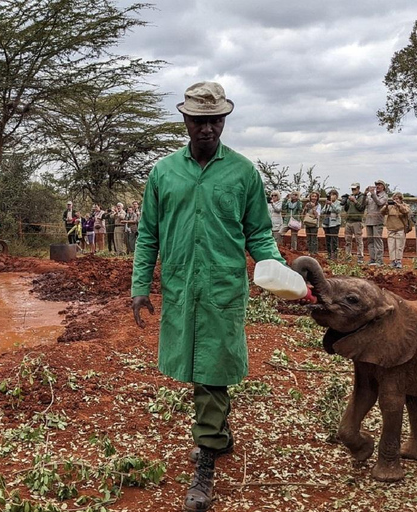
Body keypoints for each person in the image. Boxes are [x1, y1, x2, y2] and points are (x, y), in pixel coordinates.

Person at [130, 82, 290, 512]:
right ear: (185, 120)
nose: (207, 128)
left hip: (222, 286)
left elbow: (258, 232)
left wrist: (275, 272)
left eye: (215, 120)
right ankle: (216, 433)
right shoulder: (163, 173)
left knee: (212, 368)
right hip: (183, 286)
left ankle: (207, 456)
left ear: (224, 120)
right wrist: (140, 285)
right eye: (199, 120)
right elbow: (148, 234)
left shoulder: (242, 172)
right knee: (198, 364)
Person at [381, 192, 410, 269]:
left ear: (400, 199)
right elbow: (382, 212)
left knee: (399, 246)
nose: (395, 200)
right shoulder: (390, 207)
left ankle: (398, 261)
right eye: (394, 199)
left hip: (400, 229)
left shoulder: (404, 205)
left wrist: (398, 205)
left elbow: (406, 211)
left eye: (397, 199)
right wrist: (386, 206)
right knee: (391, 246)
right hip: (391, 229)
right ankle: (393, 261)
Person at [341, 183, 366, 262]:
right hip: (349, 221)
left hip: (357, 221)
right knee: (347, 240)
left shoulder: (362, 197)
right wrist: (345, 202)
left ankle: (360, 257)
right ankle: (348, 256)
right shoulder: (349, 197)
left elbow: (361, 208)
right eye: (352, 189)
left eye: (354, 189)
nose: (353, 190)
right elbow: (346, 209)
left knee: (358, 240)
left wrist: (355, 201)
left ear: (358, 188)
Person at [365, 180, 388, 265]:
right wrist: (365, 194)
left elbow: (379, 203)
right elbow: (364, 203)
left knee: (377, 240)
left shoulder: (384, 196)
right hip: (369, 220)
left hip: (377, 221)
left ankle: (379, 260)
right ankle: (372, 258)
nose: (377, 186)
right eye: (376, 185)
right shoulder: (370, 195)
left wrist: (373, 194)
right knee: (370, 241)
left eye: (379, 185)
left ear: (383, 187)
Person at [321, 189, 342, 260]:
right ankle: (329, 254)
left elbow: (338, 210)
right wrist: (326, 205)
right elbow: (322, 211)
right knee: (328, 240)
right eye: (330, 195)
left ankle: (335, 255)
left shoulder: (338, 203)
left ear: (336, 196)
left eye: (333, 195)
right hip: (327, 224)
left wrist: (331, 204)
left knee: (334, 240)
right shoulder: (327, 203)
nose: (331, 196)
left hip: (335, 224)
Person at [303, 191, 322, 256]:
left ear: (317, 198)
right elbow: (303, 214)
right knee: (308, 238)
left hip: (314, 224)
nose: (314, 198)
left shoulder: (318, 205)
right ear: (310, 197)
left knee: (314, 239)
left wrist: (313, 208)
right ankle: (310, 252)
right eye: (312, 196)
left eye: (315, 196)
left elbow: (317, 215)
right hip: (307, 223)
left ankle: (314, 252)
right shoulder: (308, 204)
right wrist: (305, 208)